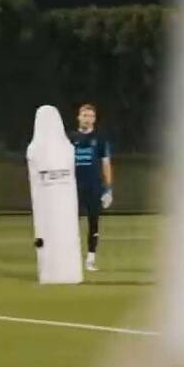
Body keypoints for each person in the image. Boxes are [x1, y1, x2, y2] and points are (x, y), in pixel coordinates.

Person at [70, 103, 113, 272]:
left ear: (94, 119)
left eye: (90, 116)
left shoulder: (100, 139)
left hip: (94, 187)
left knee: (93, 222)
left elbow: (106, 164)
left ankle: (90, 259)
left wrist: (108, 188)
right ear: (78, 117)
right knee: (71, 223)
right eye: (84, 115)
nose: (87, 119)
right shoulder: (70, 138)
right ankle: (71, 256)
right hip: (73, 187)